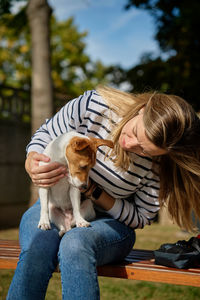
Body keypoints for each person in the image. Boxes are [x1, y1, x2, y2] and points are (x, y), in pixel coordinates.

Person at [7, 86, 200, 299]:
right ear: (142, 109)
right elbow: (46, 133)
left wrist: (94, 192)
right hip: (55, 203)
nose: (129, 144)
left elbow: (140, 217)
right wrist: (32, 160)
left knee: (75, 244)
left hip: (112, 224)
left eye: (144, 150)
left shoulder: (160, 164)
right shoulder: (94, 105)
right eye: (135, 132)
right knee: (38, 246)